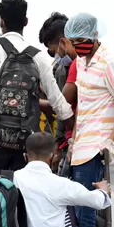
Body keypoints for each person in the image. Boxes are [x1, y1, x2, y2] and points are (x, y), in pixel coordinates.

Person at [0, 0, 73, 188]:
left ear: (1, 21)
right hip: (26, 145)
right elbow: (58, 103)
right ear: (26, 22)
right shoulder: (38, 57)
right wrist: (75, 134)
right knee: (23, 202)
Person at [64, 13, 114, 227]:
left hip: (95, 148)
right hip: (80, 147)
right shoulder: (80, 63)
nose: (77, 47)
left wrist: (110, 141)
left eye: (81, 42)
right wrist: (73, 138)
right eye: (74, 43)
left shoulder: (109, 63)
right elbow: (82, 105)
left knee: (86, 209)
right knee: (75, 206)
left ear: (94, 36)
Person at [39, 12, 78, 175]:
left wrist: (34, 102)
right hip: (72, 140)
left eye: (52, 50)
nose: (55, 56)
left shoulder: (75, 67)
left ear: (62, 42)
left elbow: (62, 108)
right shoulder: (63, 68)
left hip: (76, 143)